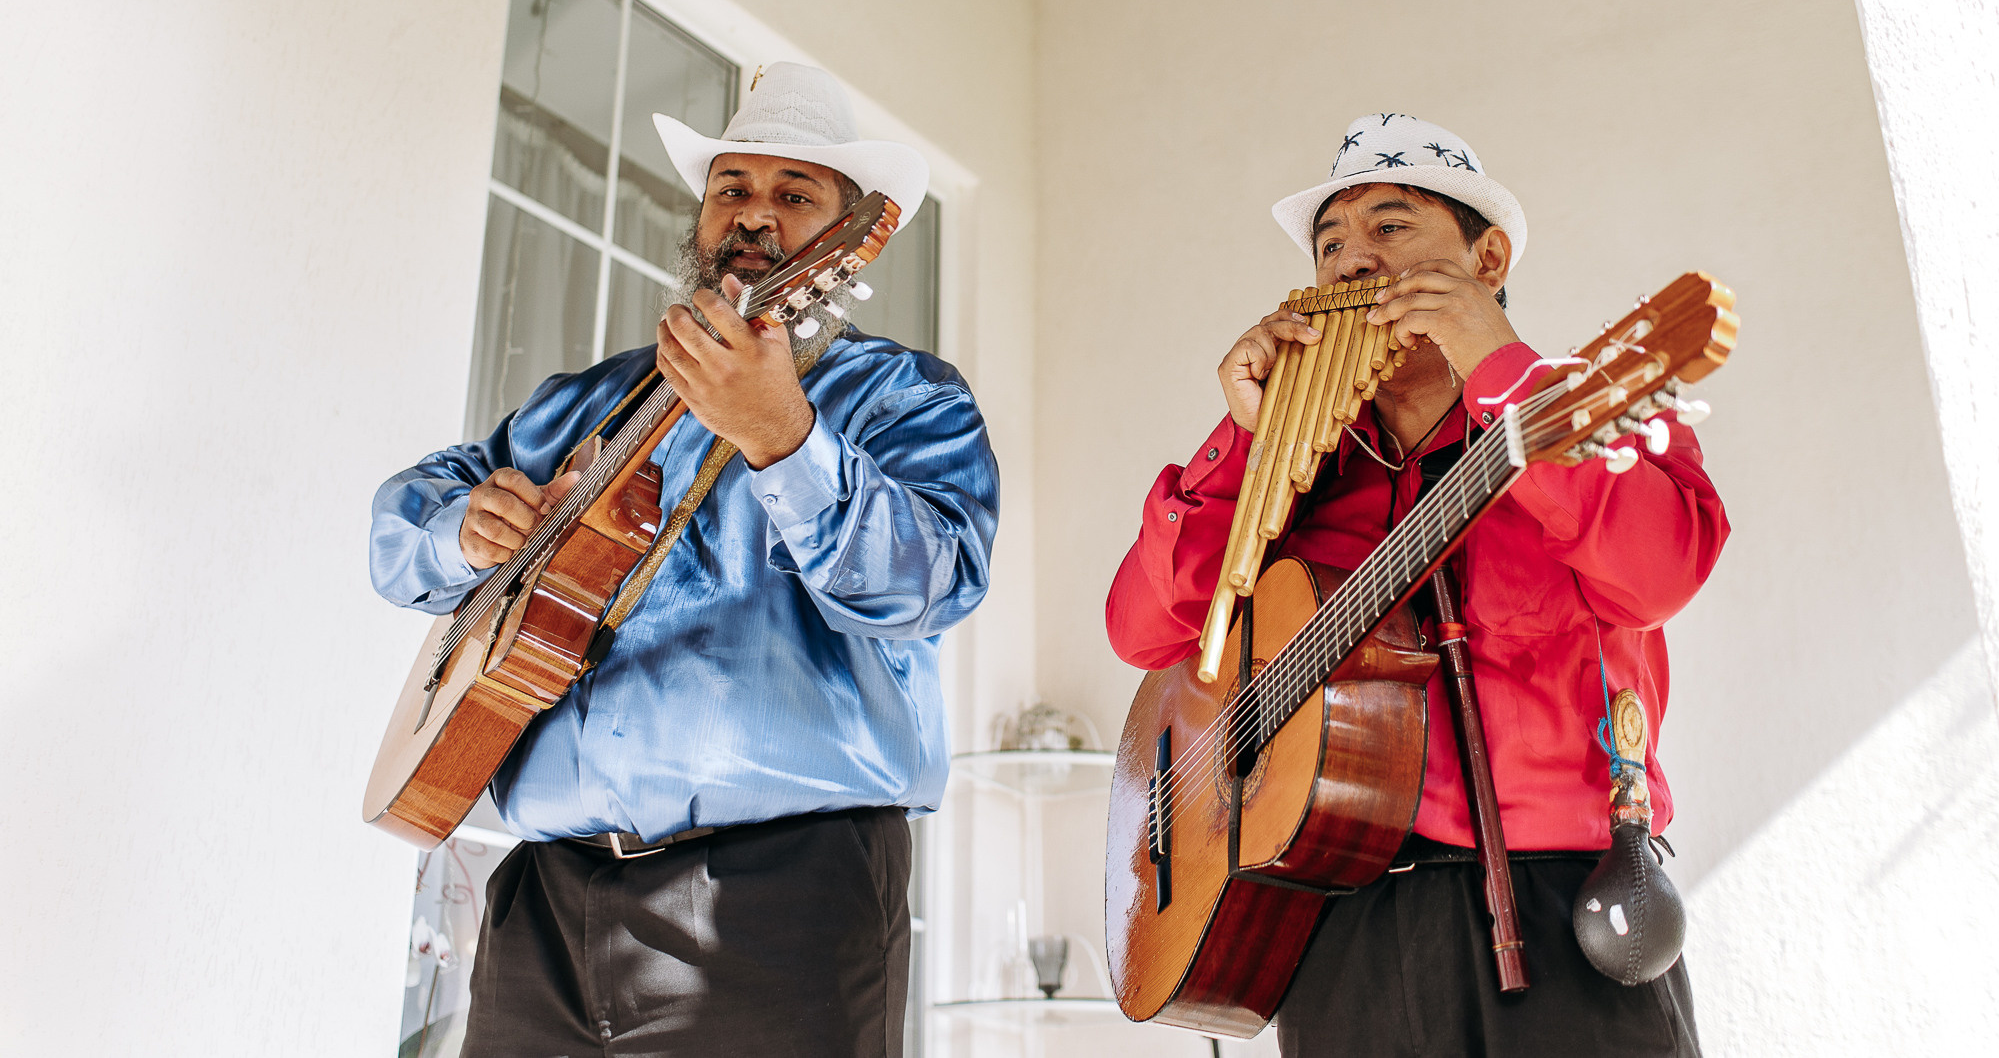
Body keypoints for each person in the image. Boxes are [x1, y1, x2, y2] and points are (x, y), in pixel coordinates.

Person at [369, 62, 999, 1057]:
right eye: (731, 190)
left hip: (779, 897)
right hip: (543, 896)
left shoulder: (902, 397)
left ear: (839, 241)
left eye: (794, 196)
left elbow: (933, 584)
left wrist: (787, 438)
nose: (754, 216)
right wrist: (462, 527)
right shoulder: (585, 402)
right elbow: (397, 530)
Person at [1103, 114, 1728, 1057]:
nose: (1353, 262)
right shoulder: (1297, 472)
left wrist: (1504, 369)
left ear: (1488, 255)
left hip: (1565, 905)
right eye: (1330, 244)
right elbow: (1146, 632)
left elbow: (1657, 575)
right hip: (1335, 919)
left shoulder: (1588, 410)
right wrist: (1242, 440)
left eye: (1390, 228)